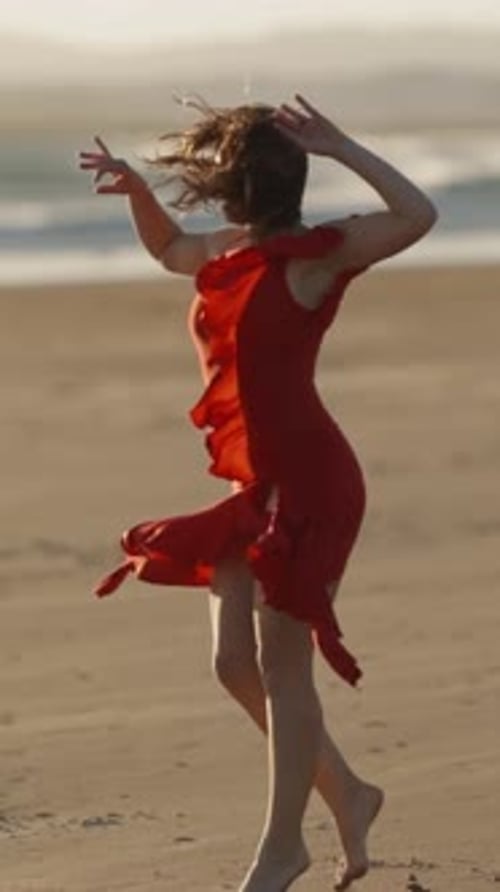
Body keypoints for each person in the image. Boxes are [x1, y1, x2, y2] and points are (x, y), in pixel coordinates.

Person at [79, 94, 437, 891]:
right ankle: (349, 792)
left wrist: (344, 144)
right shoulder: (230, 250)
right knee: (232, 661)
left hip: (311, 485)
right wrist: (138, 191)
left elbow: (417, 214)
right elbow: (169, 247)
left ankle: (283, 849)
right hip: (259, 483)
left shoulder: (319, 254)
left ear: (242, 188)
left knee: (282, 667)